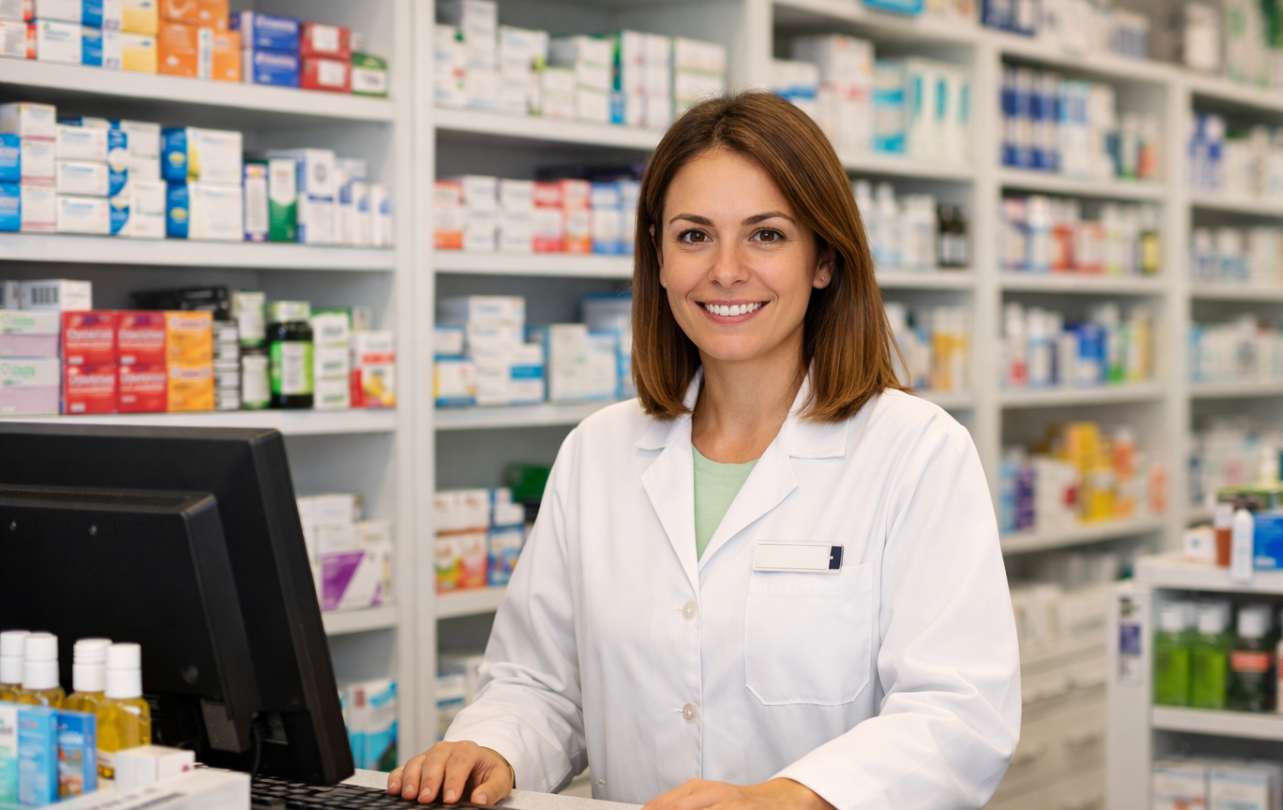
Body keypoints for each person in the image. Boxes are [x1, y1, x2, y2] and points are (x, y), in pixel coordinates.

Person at [389, 91, 1020, 809]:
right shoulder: (598, 452)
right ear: (657, 257)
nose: (725, 270)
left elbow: (958, 714)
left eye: (767, 235)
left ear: (823, 260)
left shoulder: (915, 453)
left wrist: (788, 797)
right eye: (694, 236)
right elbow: (540, 683)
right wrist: (492, 744)